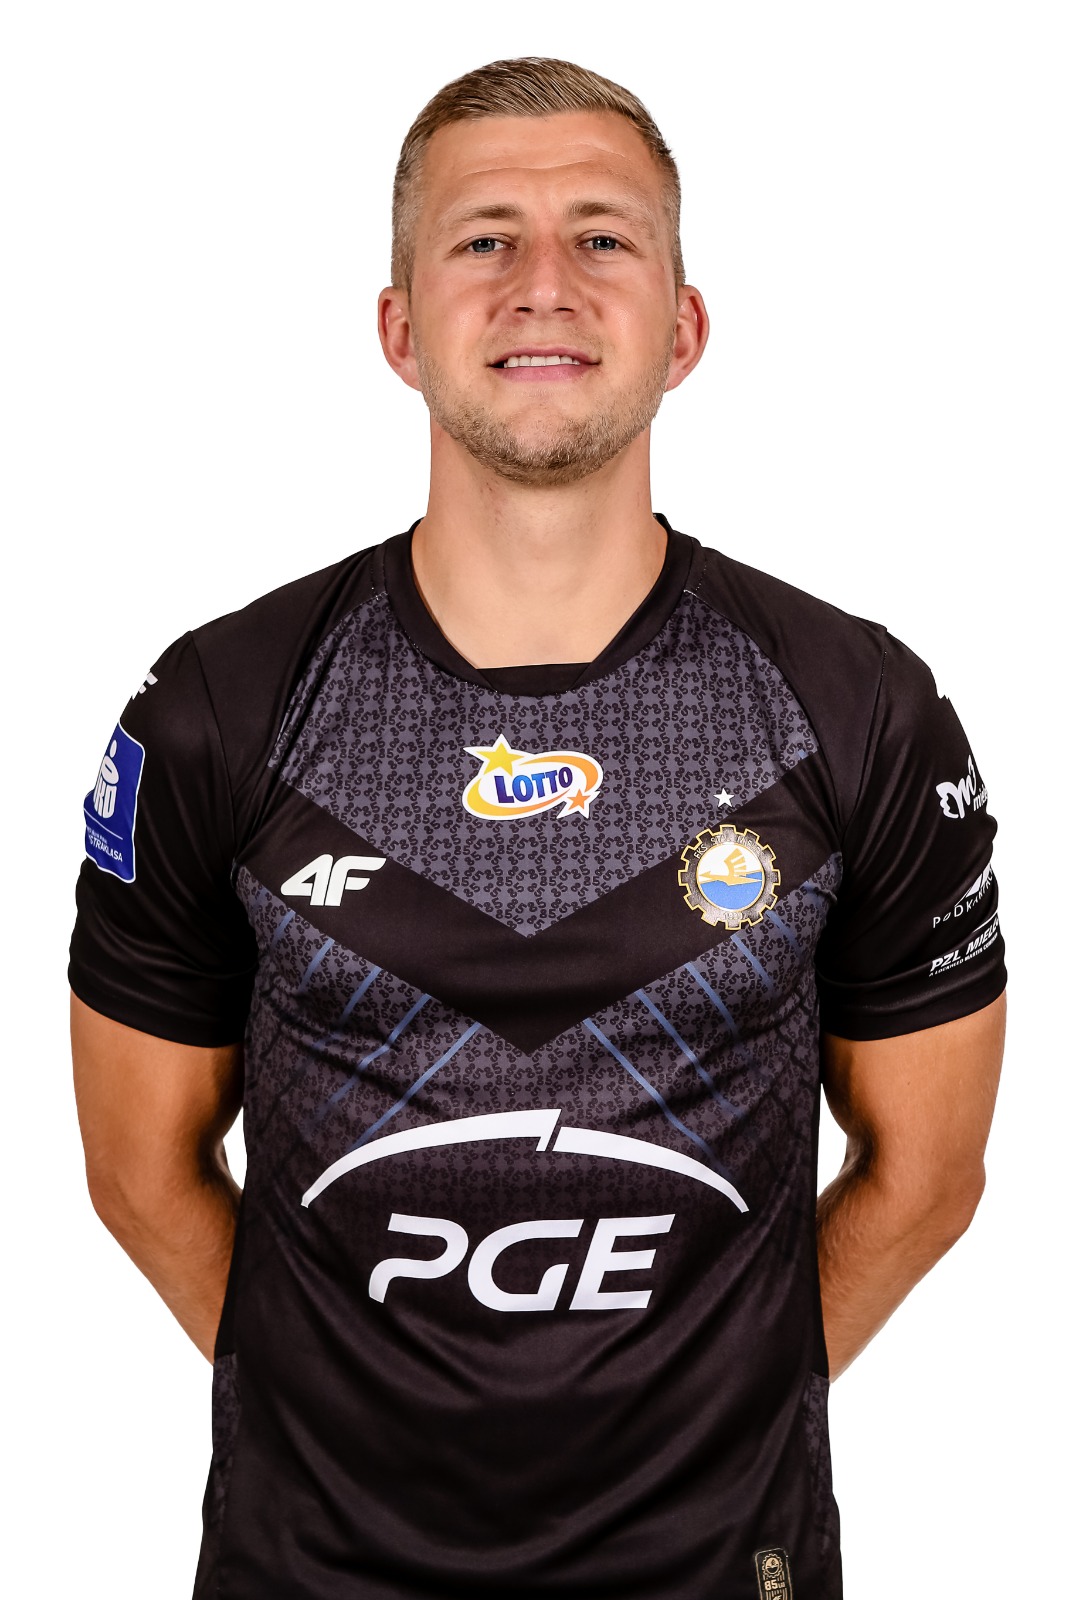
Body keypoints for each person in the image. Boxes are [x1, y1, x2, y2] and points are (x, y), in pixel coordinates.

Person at [69, 57, 1006, 1600]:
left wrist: (705, 1425)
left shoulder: (855, 710)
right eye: (484, 238)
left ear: (683, 328)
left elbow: (927, 1178)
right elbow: (135, 1170)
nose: (543, 284)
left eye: (602, 236)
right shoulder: (219, 709)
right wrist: (341, 1417)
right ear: (399, 327)